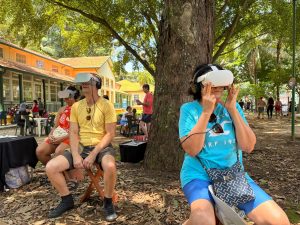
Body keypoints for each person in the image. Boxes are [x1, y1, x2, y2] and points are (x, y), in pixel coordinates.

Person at [179, 64, 290, 225]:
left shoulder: (233, 107)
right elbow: (192, 149)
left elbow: (248, 146)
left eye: (221, 84)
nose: (217, 88)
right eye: (212, 84)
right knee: (204, 221)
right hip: (198, 175)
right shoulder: (189, 109)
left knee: (279, 221)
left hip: (233, 176)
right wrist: (205, 113)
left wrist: (232, 109)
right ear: (199, 86)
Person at [45, 72, 118, 221]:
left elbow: (110, 134)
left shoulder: (107, 105)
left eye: (88, 81)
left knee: (110, 166)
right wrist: (76, 154)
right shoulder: (77, 106)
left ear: (97, 85)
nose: (84, 84)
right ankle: (67, 200)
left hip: (102, 148)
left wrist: (94, 153)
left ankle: (108, 202)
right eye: (82, 82)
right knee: (51, 167)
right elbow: (72, 132)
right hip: (82, 147)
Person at [36, 86, 80, 165]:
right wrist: (50, 134)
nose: (65, 100)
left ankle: (59, 172)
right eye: (64, 97)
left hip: (72, 136)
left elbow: (78, 130)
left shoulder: (80, 109)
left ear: (75, 97)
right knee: (40, 151)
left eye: (68, 97)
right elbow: (56, 126)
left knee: (59, 152)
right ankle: (53, 170)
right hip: (58, 135)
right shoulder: (62, 109)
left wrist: (62, 138)